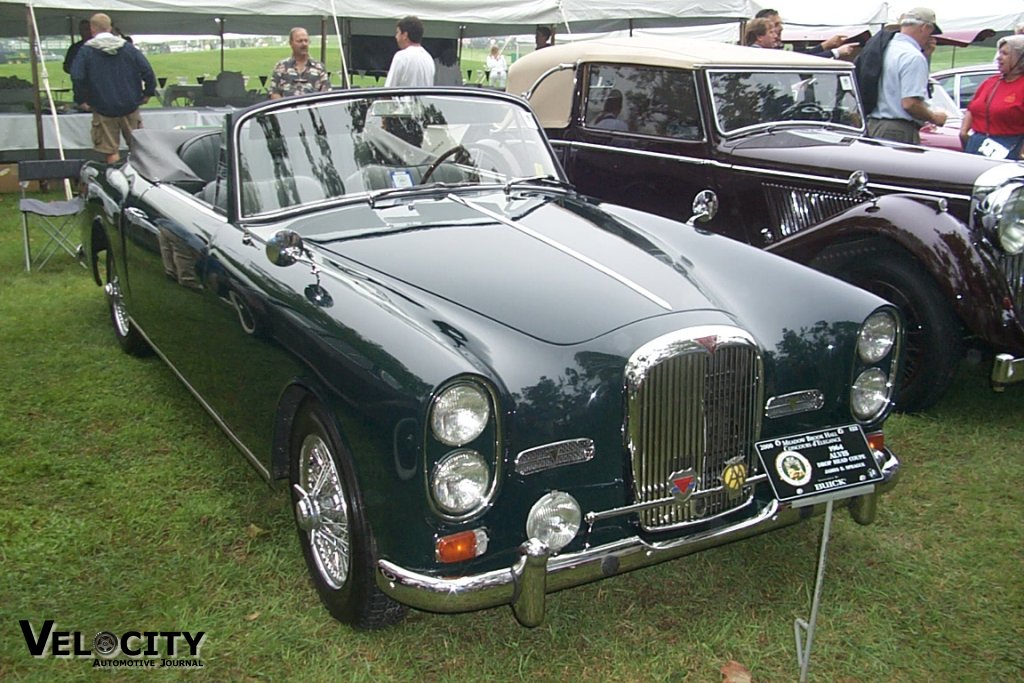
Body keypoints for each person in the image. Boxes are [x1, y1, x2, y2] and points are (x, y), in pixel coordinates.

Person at [70, 13, 156, 164]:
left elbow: (77, 76)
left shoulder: (86, 51)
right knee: (138, 148)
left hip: (102, 106)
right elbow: (147, 70)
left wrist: (81, 99)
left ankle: (117, 181)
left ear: (92, 29)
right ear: (109, 27)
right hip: (130, 104)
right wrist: (148, 93)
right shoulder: (128, 48)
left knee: (110, 150)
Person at [865, 7, 947, 144]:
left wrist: (925, 55)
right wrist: (934, 117)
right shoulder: (913, 56)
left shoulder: (885, 48)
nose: (931, 37)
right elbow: (910, 104)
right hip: (898, 130)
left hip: (874, 124)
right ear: (925, 28)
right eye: (931, 32)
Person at [961, 35, 1024, 159]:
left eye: (1005, 54)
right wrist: (963, 132)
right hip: (977, 144)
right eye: (999, 53)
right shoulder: (990, 82)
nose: (999, 58)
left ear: (1020, 58)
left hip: (1009, 147)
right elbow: (972, 108)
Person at [754, 8, 857, 59]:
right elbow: (799, 61)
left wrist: (825, 45)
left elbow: (802, 56)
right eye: (774, 27)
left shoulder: (776, 49)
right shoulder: (759, 54)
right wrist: (836, 52)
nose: (780, 28)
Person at [268, 27, 330, 99]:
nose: (304, 44)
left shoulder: (319, 68)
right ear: (291, 43)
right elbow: (274, 93)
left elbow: (326, 95)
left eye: (306, 41)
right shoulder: (281, 67)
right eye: (300, 41)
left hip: (312, 109)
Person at [385, 16, 434, 87]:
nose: (396, 37)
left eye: (398, 33)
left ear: (405, 35)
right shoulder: (428, 58)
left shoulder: (401, 57)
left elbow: (388, 90)